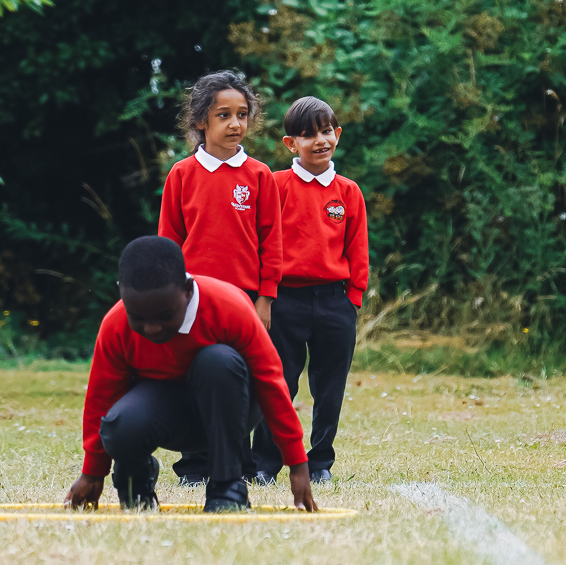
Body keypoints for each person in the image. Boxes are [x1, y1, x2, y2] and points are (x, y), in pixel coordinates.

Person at [69, 237, 314, 514]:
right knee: (120, 422)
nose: (151, 328)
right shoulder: (116, 325)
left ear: (187, 289)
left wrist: (297, 462)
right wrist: (92, 473)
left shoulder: (230, 307)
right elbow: (101, 399)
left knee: (217, 361)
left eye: (164, 315)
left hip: (232, 411)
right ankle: (136, 485)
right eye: (138, 317)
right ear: (122, 294)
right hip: (169, 417)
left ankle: (227, 486)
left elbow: (271, 382)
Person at [156, 70, 282, 485]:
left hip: (244, 300)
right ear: (200, 123)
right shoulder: (181, 175)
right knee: (194, 375)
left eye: (242, 114)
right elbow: (168, 244)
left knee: (241, 380)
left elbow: (271, 243)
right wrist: (170, 297)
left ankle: (240, 466)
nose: (235, 124)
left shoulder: (260, 175)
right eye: (223, 115)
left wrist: (265, 298)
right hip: (193, 300)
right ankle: (194, 466)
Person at [251, 96, 370, 487]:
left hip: (335, 301)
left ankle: (320, 461)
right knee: (279, 383)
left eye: (325, 132)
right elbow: (264, 242)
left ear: (336, 135)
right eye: (307, 135)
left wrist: (352, 300)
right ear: (291, 144)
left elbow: (358, 249)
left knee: (329, 387)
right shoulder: (275, 184)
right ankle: (266, 462)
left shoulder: (348, 191)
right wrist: (266, 295)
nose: (319, 141)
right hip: (286, 301)